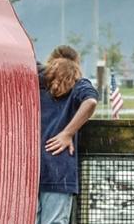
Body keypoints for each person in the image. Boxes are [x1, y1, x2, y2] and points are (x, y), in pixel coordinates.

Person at [37, 45, 98, 224]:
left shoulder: (38, 80)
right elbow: (91, 102)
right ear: (76, 63)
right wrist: (67, 133)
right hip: (59, 168)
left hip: (31, 166)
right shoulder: (79, 84)